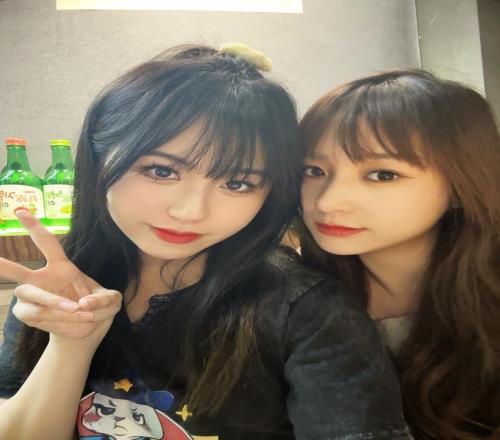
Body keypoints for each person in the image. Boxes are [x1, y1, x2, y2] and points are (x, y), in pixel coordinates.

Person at [0, 44, 410, 439]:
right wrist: (71, 344)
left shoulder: (304, 309)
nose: (191, 212)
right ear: (98, 156)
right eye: (161, 171)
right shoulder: (62, 287)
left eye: (237, 182)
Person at [298, 69, 500, 439]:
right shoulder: (294, 301)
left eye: (382, 175)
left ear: (461, 186)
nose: (327, 202)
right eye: (314, 170)